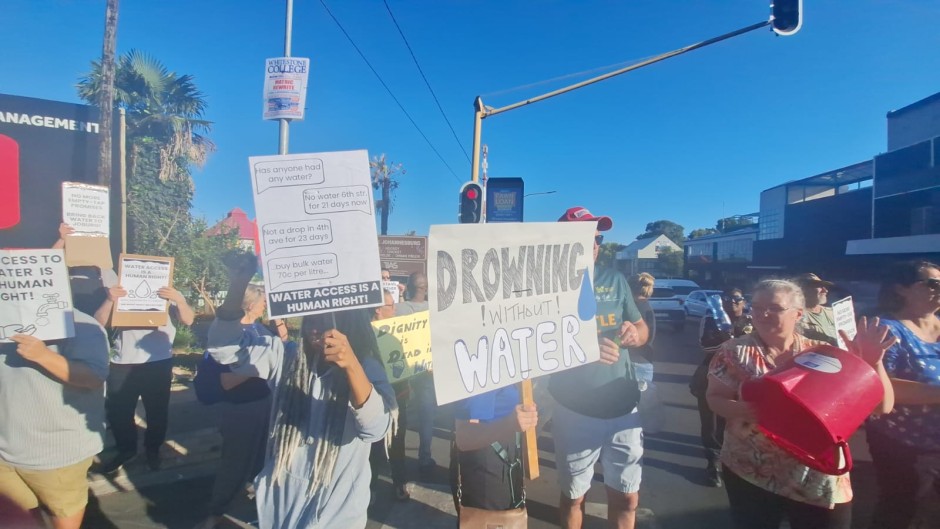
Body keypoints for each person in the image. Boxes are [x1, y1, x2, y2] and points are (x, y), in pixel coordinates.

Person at [706, 279, 896, 529]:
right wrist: (747, 411)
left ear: (798, 313)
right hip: (753, 469)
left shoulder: (824, 353)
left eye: (774, 308)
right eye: (757, 306)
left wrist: (872, 363)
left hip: (817, 474)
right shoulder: (733, 351)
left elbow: (882, 406)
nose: (763, 314)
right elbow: (715, 398)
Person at [550, 206, 650, 529]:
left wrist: (636, 335)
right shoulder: (546, 285)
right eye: (585, 237)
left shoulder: (615, 278)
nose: (594, 244)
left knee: (627, 498)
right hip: (576, 410)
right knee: (574, 496)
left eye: (598, 237)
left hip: (624, 408)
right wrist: (583, 350)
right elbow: (534, 347)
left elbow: (640, 327)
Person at [253, 307, 395, 529]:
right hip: (283, 506)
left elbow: (376, 428)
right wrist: (240, 280)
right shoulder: (288, 357)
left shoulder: (367, 367)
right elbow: (226, 349)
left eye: (325, 318)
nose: (315, 327)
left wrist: (351, 365)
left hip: (336, 513)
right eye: (310, 318)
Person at [0, 310, 110, 529]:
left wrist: (43, 355)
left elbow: (94, 377)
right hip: (5, 452)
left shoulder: (82, 323)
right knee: (20, 521)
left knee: (63, 519)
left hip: (58, 455)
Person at [195, 278, 286, 529]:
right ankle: (216, 513)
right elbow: (224, 381)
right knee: (235, 463)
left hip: (265, 403)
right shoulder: (228, 337)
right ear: (250, 304)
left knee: (263, 460)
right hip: (241, 409)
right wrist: (260, 364)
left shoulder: (262, 330)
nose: (266, 304)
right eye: (263, 301)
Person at [865, 260, 940, 529]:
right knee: (900, 512)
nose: (939, 289)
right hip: (904, 446)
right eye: (932, 283)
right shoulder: (887, 330)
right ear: (902, 289)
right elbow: (879, 386)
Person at [95, 274, 196, 473]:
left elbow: (188, 319)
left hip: (157, 363)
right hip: (123, 363)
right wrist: (109, 299)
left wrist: (179, 299)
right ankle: (126, 450)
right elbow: (97, 322)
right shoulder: (121, 293)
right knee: (119, 413)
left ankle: (153, 450)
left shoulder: (167, 297)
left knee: (157, 412)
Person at [691, 287, 751, 487]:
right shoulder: (710, 319)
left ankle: (737, 463)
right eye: (727, 299)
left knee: (743, 424)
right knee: (712, 425)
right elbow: (705, 346)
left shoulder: (752, 321)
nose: (732, 302)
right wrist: (730, 343)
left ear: (743, 302)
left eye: (737, 299)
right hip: (712, 378)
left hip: (746, 383)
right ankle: (713, 465)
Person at [451, 383, 537, 520]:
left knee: (509, 519)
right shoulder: (482, 371)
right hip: (485, 465)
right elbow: (463, 437)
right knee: (492, 521)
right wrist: (508, 424)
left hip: (507, 453)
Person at [394, 271, 438, 481]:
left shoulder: (399, 309)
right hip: (426, 369)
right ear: (426, 288)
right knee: (426, 414)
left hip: (401, 370)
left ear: (409, 287)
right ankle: (424, 457)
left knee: (399, 415)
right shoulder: (435, 310)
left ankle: (397, 462)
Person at [369, 291, 412, 501]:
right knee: (372, 446)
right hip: (374, 400)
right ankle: (370, 486)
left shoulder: (399, 332)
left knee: (397, 444)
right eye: (391, 305)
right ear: (378, 309)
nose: (395, 309)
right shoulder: (364, 335)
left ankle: (399, 482)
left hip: (398, 398)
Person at [794, 273, 838, 346]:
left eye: (824, 287)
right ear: (803, 290)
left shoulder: (833, 313)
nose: (825, 290)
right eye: (819, 287)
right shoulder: (796, 317)